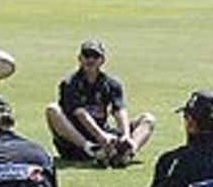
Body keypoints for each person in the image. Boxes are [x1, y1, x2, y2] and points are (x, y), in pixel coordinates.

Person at [44, 39, 156, 168]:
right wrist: (100, 137)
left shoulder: (111, 83)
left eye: (95, 56)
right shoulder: (70, 83)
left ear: (102, 60)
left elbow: (119, 110)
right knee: (52, 109)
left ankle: (127, 153)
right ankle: (92, 150)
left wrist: (125, 135)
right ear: (80, 58)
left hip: (103, 134)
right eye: (87, 55)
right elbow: (81, 114)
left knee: (148, 119)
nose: (90, 60)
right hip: (76, 141)